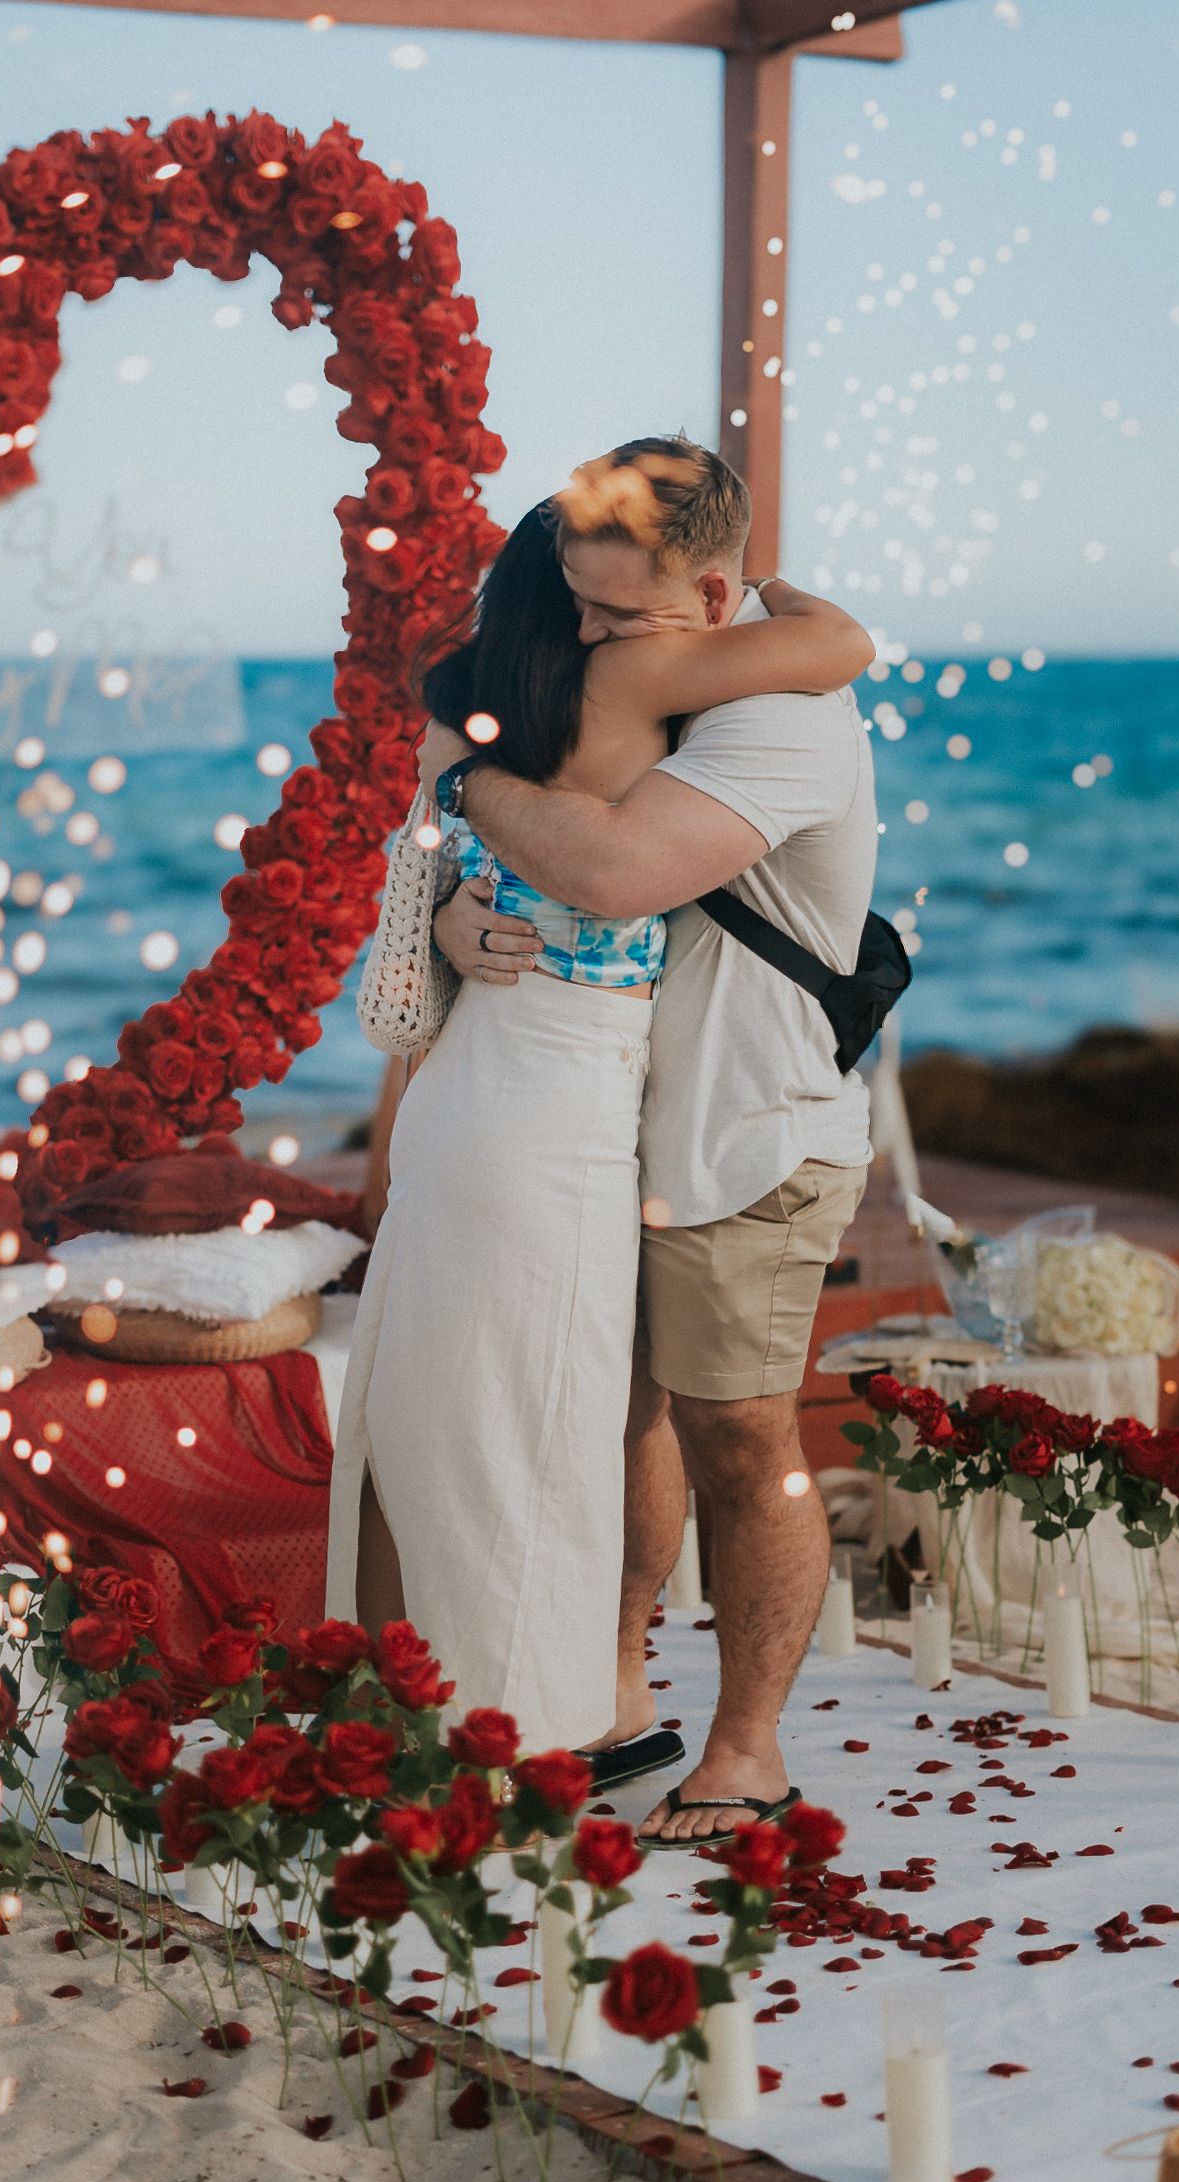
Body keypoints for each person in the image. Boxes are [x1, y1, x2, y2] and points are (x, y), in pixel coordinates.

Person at [326, 440, 873, 1766]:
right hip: (582, 1105)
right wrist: (801, 614)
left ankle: (678, 1736)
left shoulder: (536, 714)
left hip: (632, 1116)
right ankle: (569, 1711)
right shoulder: (633, 673)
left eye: (614, 608)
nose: (588, 630)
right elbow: (843, 641)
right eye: (572, 600)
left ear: (702, 589)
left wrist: (457, 790)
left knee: (652, 1426)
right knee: (565, 1427)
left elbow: (612, 873)